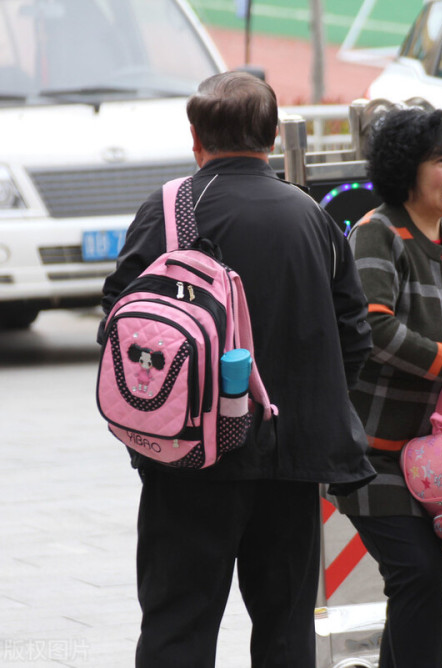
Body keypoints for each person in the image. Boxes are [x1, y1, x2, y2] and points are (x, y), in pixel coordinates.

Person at [99, 71, 375, 667]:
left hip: (187, 456)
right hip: (291, 460)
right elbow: (355, 334)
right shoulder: (313, 216)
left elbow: (118, 322)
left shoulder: (170, 209)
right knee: (286, 631)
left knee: (178, 625)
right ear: (272, 138)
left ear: (196, 138)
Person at [333, 107, 442, 667]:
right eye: (440, 161)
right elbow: (373, 325)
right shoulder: (377, 233)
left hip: (438, 455)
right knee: (418, 573)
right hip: (375, 452)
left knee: (422, 580)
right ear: (406, 169)